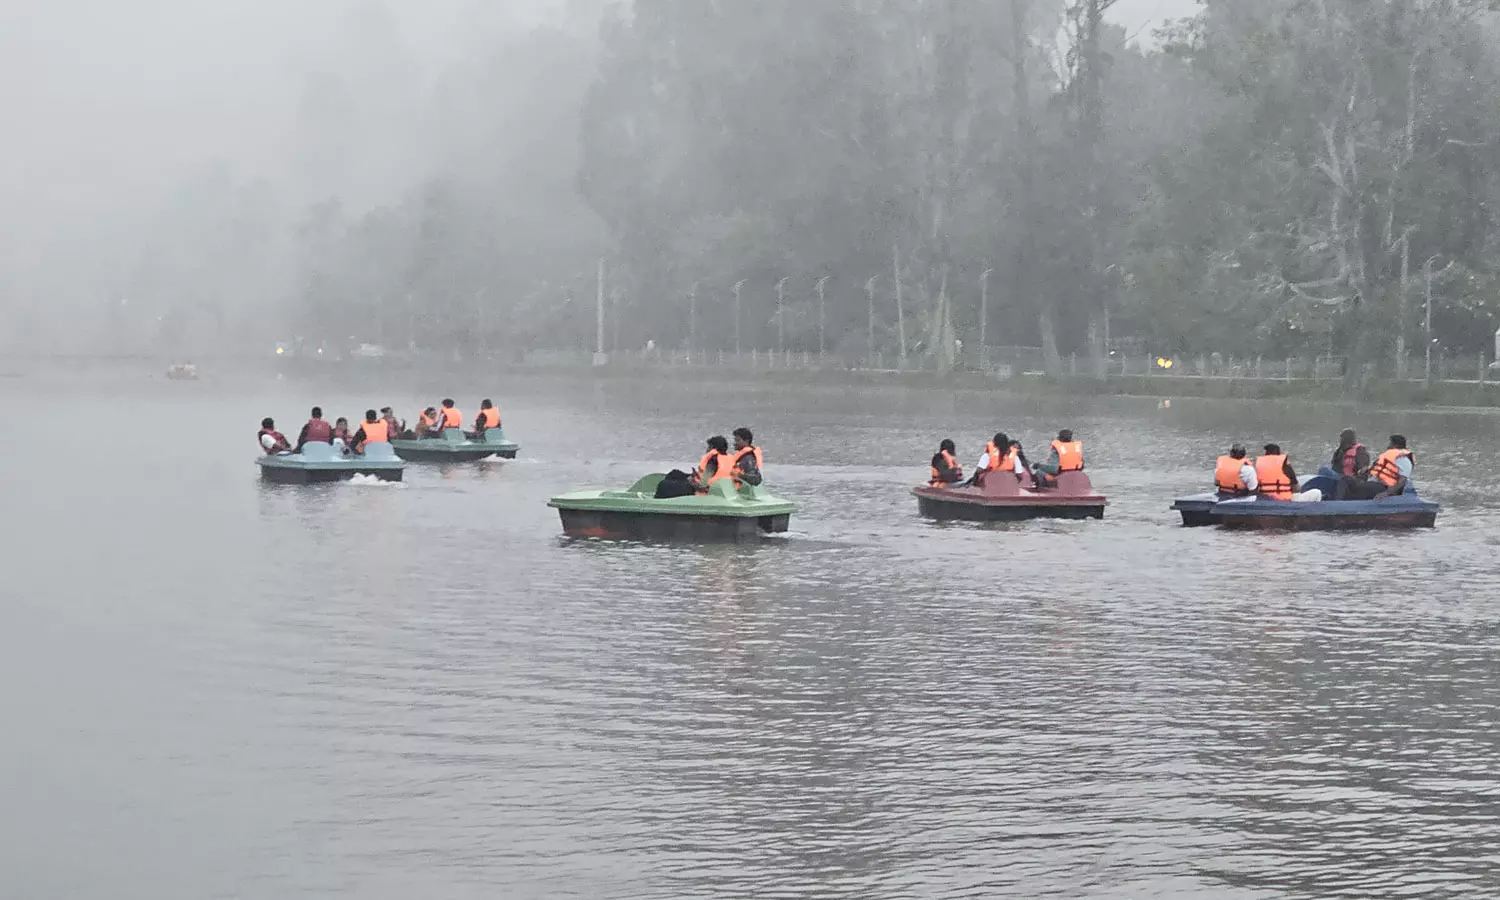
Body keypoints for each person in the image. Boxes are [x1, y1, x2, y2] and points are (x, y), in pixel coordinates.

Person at [1337, 434, 1414, 500]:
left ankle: (1348, 507)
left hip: (1383, 487)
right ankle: (1336, 503)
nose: (1388, 446)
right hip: (1372, 483)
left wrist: (1386, 493)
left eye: (1390, 444)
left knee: (1363, 487)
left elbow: (1402, 480)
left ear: (1396, 446)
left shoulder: (1403, 461)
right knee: (1346, 479)